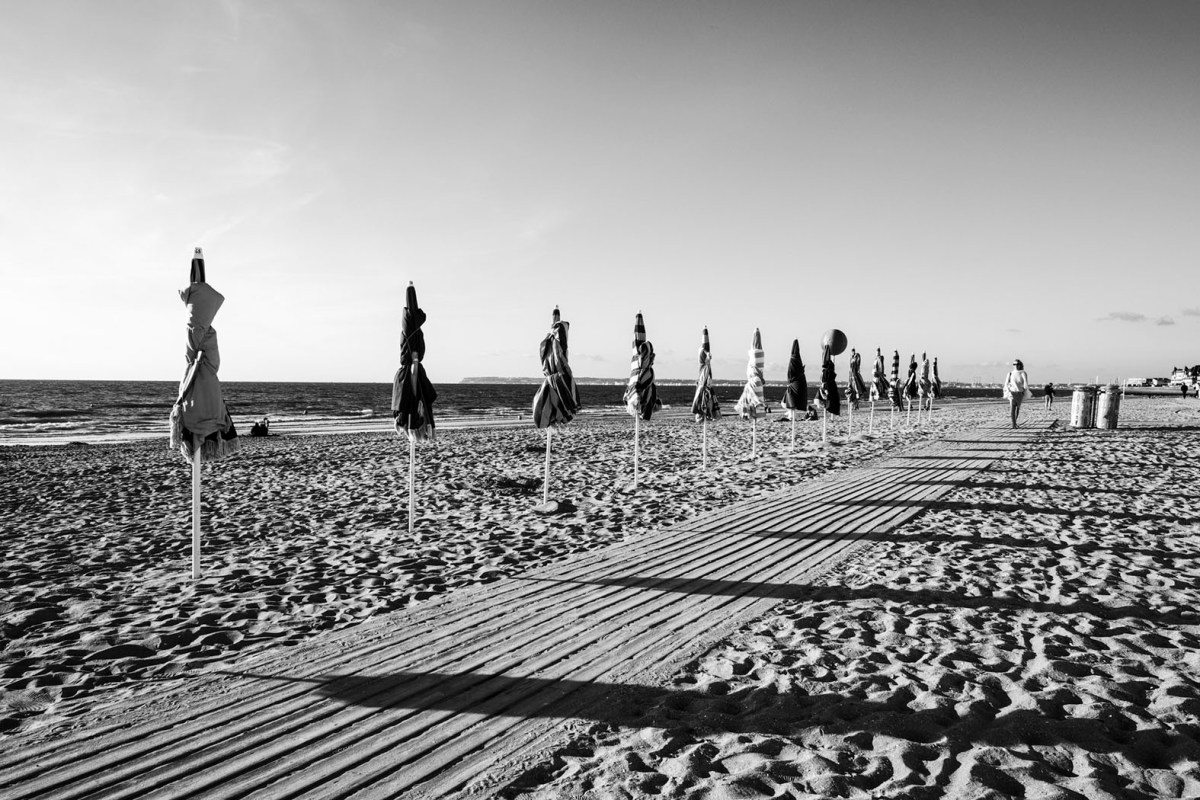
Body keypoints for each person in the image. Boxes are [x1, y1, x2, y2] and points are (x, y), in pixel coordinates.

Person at [1003, 359, 1031, 428]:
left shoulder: (1023, 373)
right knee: (1012, 408)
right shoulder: (1010, 373)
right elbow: (1006, 383)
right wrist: (1008, 390)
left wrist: (1024, 391)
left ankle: (1015, 422)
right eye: (1014, 364)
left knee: (1017, 408)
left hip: (1020, 392)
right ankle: (1013, 424)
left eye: (1017, 364)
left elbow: (1025, 383)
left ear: (1020, 365)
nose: (1015, 366)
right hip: (1011, 392)